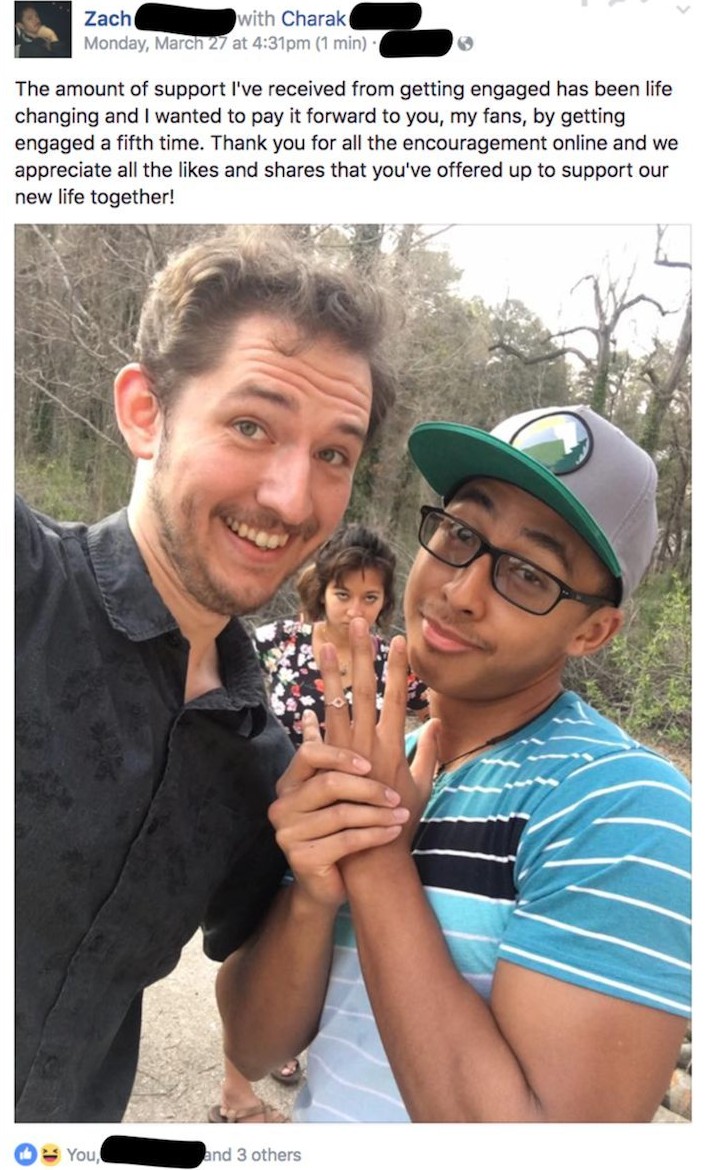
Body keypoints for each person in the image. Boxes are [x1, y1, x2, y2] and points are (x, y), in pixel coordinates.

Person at [15, 231, 397, 1122]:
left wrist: (317, 885)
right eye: (250, 426)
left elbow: (257, 1048)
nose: (290, 499)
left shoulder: (261, 757)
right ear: (145, 412)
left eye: (333, 455)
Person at [217, 405, 691, 1122]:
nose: (461, 592)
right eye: (462, 535)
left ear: (593, 631)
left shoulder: (625, 808)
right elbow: (254, 1048)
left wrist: (378, 859)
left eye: (528, 575)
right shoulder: (382, 766)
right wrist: (313, 894)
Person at [211, 524, 428, 1122]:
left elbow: (438, 710)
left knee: (315, 949)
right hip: (271, 818)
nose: (355, 609)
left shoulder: (391, 661)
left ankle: (288, 1043)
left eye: (370, 597)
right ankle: (236, 1088)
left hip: (346, 833)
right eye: (343, 594)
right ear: (322, 590)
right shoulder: (276, 644)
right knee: (252, 942)